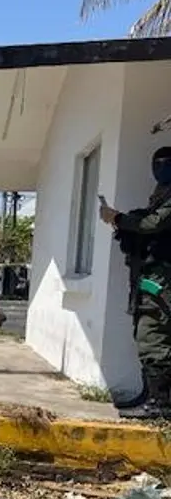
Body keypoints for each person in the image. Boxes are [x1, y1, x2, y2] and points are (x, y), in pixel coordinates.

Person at [100, 146, 171, 419]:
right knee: (144, 333)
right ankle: (150, 396)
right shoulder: (160, 195)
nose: (159, 168)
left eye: (164, 164)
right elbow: (145, 220)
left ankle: (161, 405)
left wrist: (119, 218)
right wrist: (124, 222)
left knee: (153, 335)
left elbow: (153, 224)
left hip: (162, 278)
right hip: (150, 277)